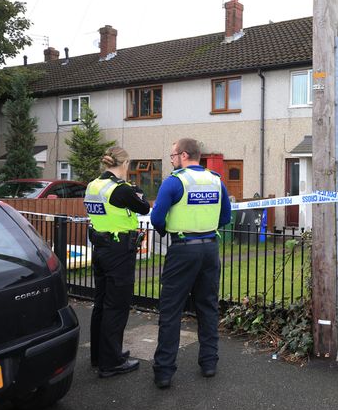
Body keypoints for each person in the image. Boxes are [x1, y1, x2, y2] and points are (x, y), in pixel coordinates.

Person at [150, 138, 231, 389]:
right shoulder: (217, 180)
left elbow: (156, 218)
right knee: (207, 307)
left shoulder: (175, 181)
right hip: (209, 248)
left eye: (173, 155)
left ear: (184, 155)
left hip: (183, 250)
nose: (172, 159)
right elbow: (226, 217)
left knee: (171, 310)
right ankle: (209, 363)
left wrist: (171, 230)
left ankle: (164, 371)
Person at [84, 146, 151, 378]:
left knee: (101, 303)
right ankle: (111, 362)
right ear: (124, 164)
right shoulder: (120, 190)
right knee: (117, 306)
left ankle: (99, 356)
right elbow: (144, 207)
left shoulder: (93, 185)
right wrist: (136, 189)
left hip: (100, 248)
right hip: (119, 250)